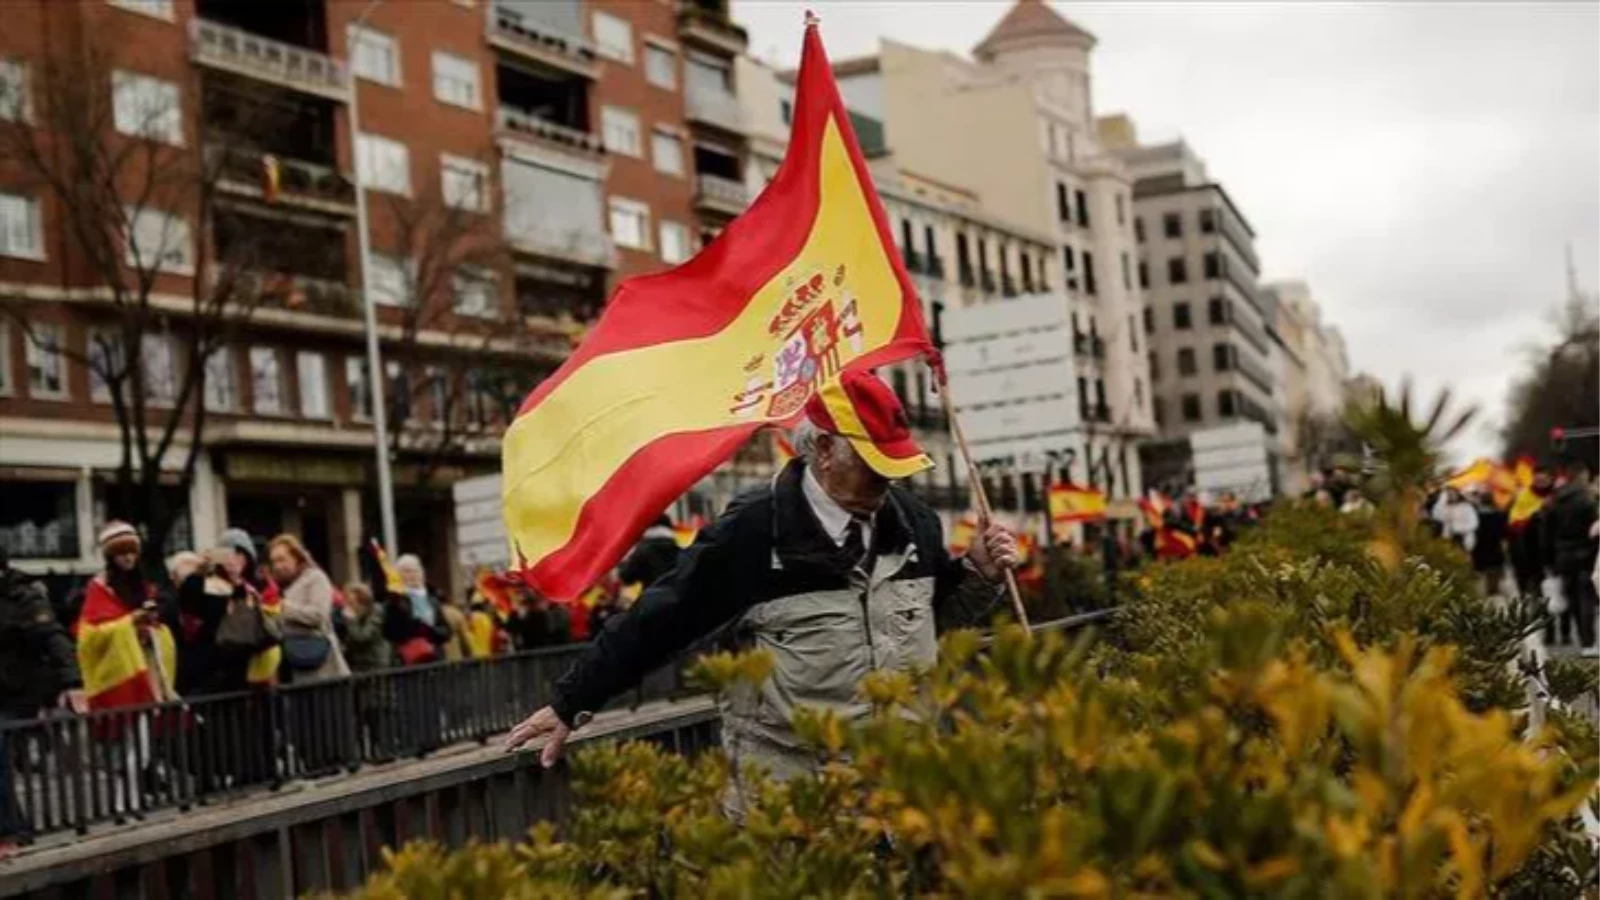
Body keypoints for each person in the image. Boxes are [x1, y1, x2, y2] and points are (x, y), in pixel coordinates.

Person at [506, 369, 1019, 778]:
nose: (887, 478)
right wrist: (572, 701)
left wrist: (978, 572)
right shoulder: (753, 530)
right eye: (872, 462)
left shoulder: (916, 522)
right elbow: (663, 618)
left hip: (907, 786)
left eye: (896, 463)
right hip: (801, 798)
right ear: (821, 449)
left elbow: (933, 624)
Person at [74, 523, 179, 815]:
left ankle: (131, 800)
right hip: (120, 677)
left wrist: (149, 627)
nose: (128, 559)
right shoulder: (98, 589)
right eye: (121, 554)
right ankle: (126, 802)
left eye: (132, 552)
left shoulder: (144, 587)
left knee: (142, 746)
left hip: (144, 673)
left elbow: (156, 629)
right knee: (128, 746)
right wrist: (129, 623)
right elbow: (89, 637)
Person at [1, 548, 85, 856]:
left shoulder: (24, 598)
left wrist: (73, 681)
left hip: (18, 690)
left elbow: (55, 638)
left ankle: (9, 831)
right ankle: (16, 825)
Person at [267, 535, 350, 684]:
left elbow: (318, 615)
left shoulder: (315, 578)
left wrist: (283, 607)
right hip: (292, 666)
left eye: (282, 559)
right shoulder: (278, 587)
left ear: (296, 557)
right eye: (274, 562)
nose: (277, 566)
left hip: (322, 668)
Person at [1542, 462, 1599, 656]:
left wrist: (1549, 560)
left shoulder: (1555, 500)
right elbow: (1595, 529)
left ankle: (1582, 636)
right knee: (1587, 597)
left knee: (1573, 597)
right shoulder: (1587, 500)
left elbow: (1546, 533)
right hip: (1586, 553)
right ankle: (1588, 642)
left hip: (1563, 555)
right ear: (1582, 476)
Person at [617, 516, 682, 591]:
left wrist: (623, 561)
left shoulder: (642, 550)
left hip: (652, 599)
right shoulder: (679, 549)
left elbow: (626, 577)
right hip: (677, 598)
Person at [1470, 489, 1510, 596]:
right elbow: (1504, 531)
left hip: (1480, 543)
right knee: (1494, 567)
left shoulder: (1476, 514)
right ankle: (1493, 588)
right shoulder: (1499, 513)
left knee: (1482, 567)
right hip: (1494, 543)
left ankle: (1485, 590)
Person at [1432, 488, 1480, 553]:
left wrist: (1459, 528)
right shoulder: (1446, 507)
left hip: (1464, 538)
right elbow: (1437, 516)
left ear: (1458, 494)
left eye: (1453, 493)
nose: (1451, 495)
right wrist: (1442, 499)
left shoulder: (1466, 507)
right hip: (1450, 538)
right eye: (1449, 494)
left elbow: (1474, 523)